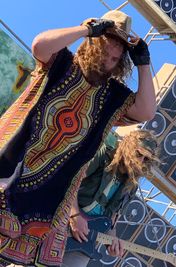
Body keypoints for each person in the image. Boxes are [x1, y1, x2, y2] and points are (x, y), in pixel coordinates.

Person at [0, 10, 156, 266]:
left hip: (46, 194)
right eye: (110, 39)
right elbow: (40, 45)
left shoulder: (113, 97)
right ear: (95, 39)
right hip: (10, 160)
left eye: (120, 47)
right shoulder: (61, 61)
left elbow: (147, 110)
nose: (114, 48)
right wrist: (85, 30)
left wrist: (144, 63)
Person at [62, 129, 160, 267]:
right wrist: (74, 214)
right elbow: (70, 182)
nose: (141, 161)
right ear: (128, 146)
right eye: (139, 154)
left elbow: (111, 222)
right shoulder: (104, 154)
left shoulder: (131, 187)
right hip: (64, 217)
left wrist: (113, 241)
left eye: (146, 159)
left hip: (85, 239)